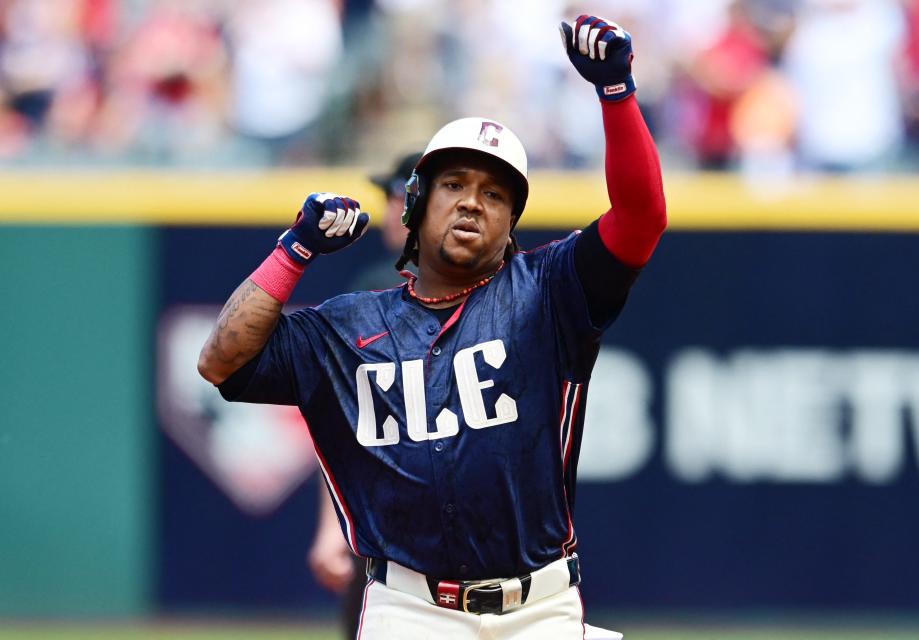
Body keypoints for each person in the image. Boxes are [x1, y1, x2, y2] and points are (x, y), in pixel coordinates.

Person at [198, 13, 666, 639]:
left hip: (542, 607)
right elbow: (220, 360)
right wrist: (293, 252)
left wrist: (616, 94)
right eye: (454, 184)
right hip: (409, 609)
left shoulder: (550, 291)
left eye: (496, 194)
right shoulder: (349, 326)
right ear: (416, 205)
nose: (473, 201)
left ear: (510, 225)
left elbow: (640, 218)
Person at [306, 152, 420, 640]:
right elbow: (341, 420)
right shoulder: (373, 290)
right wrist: (333, 525)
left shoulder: (501, 288)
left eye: (393, 197)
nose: (386, 212)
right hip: (380, 526)